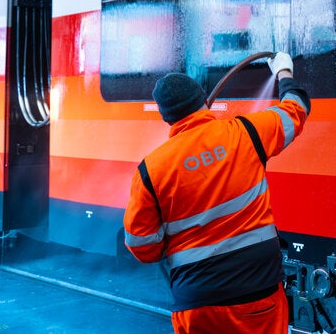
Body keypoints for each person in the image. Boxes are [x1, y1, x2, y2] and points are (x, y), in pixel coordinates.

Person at [123, 52, 309, 334]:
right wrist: (284, 71)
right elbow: (296, 110)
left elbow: (141, 246)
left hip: (196, 301)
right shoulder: (246, 133)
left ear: (166, 117)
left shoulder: (150, 170)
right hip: (258, 293)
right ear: (203, 99)